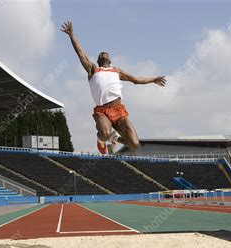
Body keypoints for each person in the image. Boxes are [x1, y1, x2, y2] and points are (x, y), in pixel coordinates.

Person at [61, 21, 166, 154]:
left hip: (119, 111)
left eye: (106, 53)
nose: (104, 53)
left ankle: (115, 137)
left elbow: (135, 80)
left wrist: (153, 79)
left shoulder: (117, 71)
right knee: (104, 134)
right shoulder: (93, 69)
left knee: (134, 143)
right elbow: (80, 53)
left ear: (110, 60)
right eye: (101, 53)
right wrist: (71, 35)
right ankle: (102, 139)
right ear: (99, 60)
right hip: (103, 111)